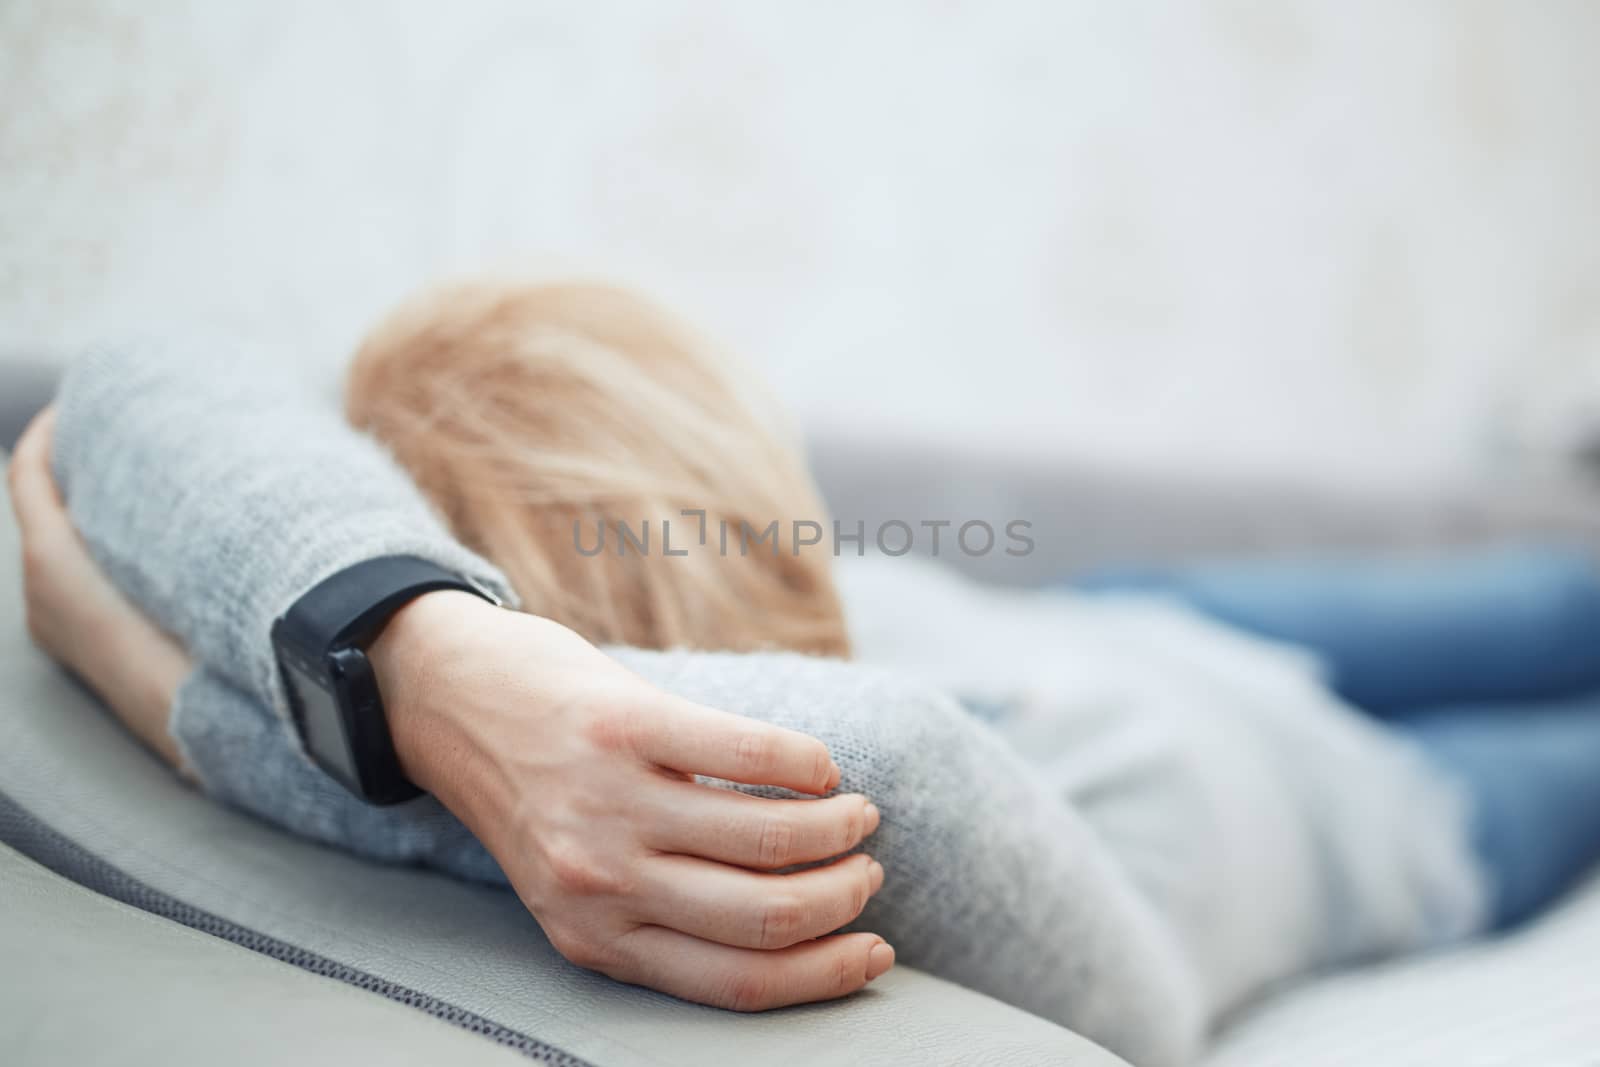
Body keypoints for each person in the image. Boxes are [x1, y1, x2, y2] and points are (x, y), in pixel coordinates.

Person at [9, 282, 1600, 1067]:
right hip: (1392, 820)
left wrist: (422, 655)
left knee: (1567, 584)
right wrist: (198, 711)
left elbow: (143, 379)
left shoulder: (530, 664)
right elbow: (890, 749)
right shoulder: (736, 792)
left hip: (1162, 623)